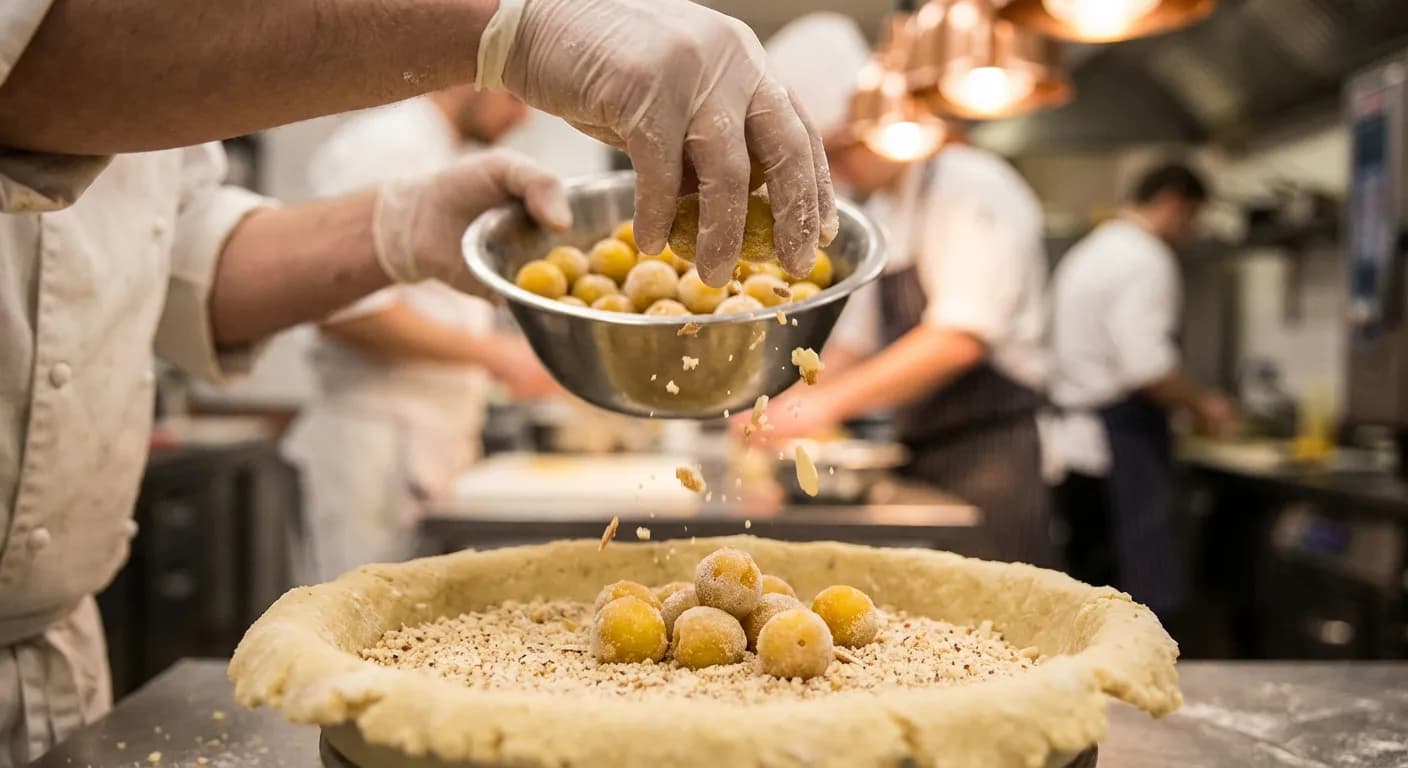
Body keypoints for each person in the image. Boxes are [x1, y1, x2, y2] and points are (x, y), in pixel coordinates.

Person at [0, 0, 835, 762]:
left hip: (56, 666)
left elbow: (183, 266)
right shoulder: (385, 129)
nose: (514, 112)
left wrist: (393, 231)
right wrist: (507, 27)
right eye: (507, 96)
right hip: (364, 436)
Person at [760, 15, 1052, 566]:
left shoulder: (971, 184)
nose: (839, 174)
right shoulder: (888, 211)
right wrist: (780, 404)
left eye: (839, 155)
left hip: (991, 458)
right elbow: (856, 344)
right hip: (924, 454)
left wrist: (822, 407)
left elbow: (960, 338)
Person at [284, 87, 559, 583]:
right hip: (374, 444)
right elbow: (343, 310)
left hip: (424, 440)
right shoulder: (386, 146)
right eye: (518, 98)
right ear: (481, 76)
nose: (522, 118)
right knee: (361, 624)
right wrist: (496, 354)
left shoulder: (440, 151)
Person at [1045, 162, 1236, 619]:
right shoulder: (1146, 259)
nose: (1190, 234)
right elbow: (1147, 368)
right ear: (1173, 204)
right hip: (1118, 449)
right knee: (1133, 602)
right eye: (1192, 220)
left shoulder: (1092, 251)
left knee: (1089, 602)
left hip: (1075, 448)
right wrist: (1204, 405)